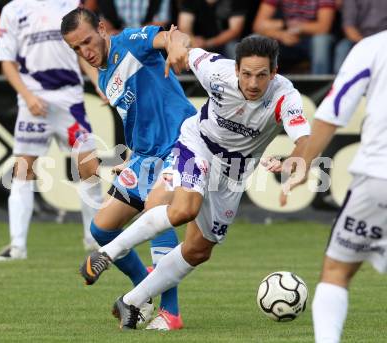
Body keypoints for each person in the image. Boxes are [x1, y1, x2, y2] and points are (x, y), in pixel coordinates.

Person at [78, 34, 311, 330]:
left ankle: (132, 301)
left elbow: (303, 138)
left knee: (199, 250)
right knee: (183, 209)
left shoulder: (284, 97)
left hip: (232, 174)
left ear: (274, 73)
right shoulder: (216, 70)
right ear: (236, 69)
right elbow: (181, 47)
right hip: (197, 145)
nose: (253, 83)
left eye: (262, 75)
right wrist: (175, 49)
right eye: (247, 74)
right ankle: (107, 253)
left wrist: (297, 160)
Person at [61, 8, 196, 330]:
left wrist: (177, 46)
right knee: (101, 229)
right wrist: (131, 157)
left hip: (179, 142)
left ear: (103, 29)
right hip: (144, 157)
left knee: (155, 210)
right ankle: (144, 288)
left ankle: (171, 313)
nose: (86, 52)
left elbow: (169, 36)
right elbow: (139, 118)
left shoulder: (131, 42)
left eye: (87, 42)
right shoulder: (106, 77)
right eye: (77, 49)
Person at [281, 30, 387, 343]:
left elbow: (333, 110)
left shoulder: (373, 47)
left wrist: (303, 164)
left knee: (337, 272)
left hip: (378, 176)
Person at [0, 0, 103, 261]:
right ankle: (17, 246)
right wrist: (28, 96)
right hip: (34, 100)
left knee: (89, 165)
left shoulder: (71, 3)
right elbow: (6, 61)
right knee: (23, 168)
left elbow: (82, 49)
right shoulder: (12, 10)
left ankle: (94, 238)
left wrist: (99, 81)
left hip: (70, 99)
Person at [253, 0, 335, 74]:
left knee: (321, 41)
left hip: (311, 40)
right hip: (284, 37)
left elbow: (324, 27)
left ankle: (320, 86)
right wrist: (282, 33)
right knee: (255, 39)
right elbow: (258, 25)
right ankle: (259, 84)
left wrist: (299, 28)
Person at [177, 0, 250, 59]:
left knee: (234, 47)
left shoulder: (236, 2)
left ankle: (236, 73)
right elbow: (184, 27)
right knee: (182, 45)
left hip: (224, 43)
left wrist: (208, 43)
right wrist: (193, 41)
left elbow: (234, 31)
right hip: (196, 43)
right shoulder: (189, 1)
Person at [333, 0, 387, 73]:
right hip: (359, 39)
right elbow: (349, 27)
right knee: (342, 48)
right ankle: (340, 82)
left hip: (384, 39)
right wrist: (366, 44)